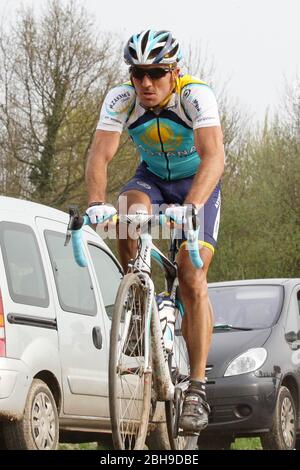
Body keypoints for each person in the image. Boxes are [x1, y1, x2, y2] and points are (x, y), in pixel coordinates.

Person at [85, 29, 225, 435]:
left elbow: (214, 157)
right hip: (151, 179)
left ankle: (196, 386)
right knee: (126, 209)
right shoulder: (121, 99)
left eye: (156, 73)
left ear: (174, 71)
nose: (146, 83)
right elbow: (101, 152)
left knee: (190, 274)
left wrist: (192, 208)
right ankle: (137, 304)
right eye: (137, 73)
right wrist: (96, 202)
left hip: (197, 184)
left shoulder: (195, 96)